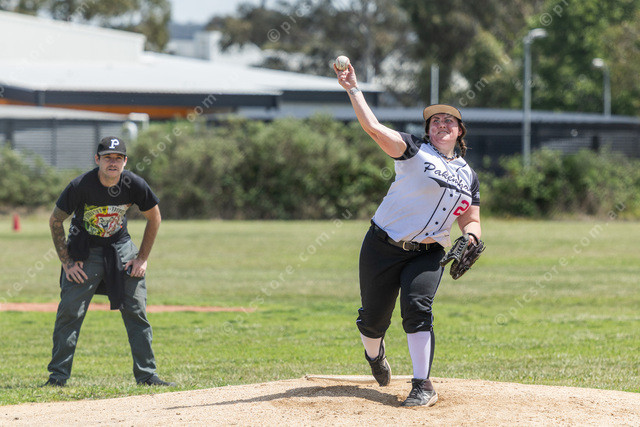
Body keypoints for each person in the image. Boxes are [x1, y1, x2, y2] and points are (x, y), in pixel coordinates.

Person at [334, 63, 481, 407]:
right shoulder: (414, 150)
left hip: (429, 253)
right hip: (382, 245)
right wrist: (353, 88)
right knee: (373, 320)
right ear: (428, 130)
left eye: (449, 121)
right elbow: (372, 128)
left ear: (460, 131)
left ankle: (422, 384)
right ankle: (375, 356)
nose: (441, 124)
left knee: (417, 308)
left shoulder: (468, 176)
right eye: (435, 121)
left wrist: (472, 238)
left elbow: (471, 220)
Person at [44, 136, 174, 387]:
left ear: (125, 161)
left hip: (121, 249)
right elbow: (55, 220)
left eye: (118, 158)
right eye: (107, 158)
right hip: (84, 252)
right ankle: (57, 377)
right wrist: (67, 262)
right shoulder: (80, 185)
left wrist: (141, 258)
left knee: (136, 311)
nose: (112, 162)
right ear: (97, 159)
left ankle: (147, 375)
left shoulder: (134, 184)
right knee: (69, 312)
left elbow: (155, 217)